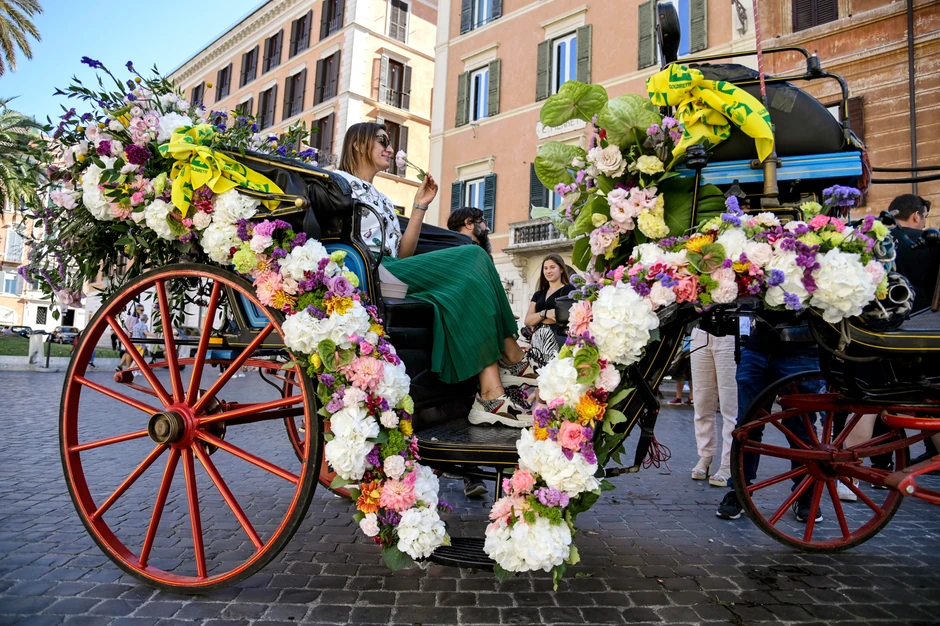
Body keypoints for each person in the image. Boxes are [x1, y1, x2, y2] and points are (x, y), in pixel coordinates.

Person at [335, 122, 533, 428]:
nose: (390, 148)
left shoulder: (382, 198)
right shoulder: (338, 185)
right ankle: (513, 357)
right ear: (358, 144)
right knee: (472, 255)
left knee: (468, 277)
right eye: (382, 141)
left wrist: (420, 205)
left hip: (393, 269)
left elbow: (403, 253)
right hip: (368, 272)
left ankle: (491, 395)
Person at [716, 315, 824, 523]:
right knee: (746, 427)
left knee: (801, 430)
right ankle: (740, 490)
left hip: (802, 349)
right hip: (757, 347)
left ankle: (805, 493)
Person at [689, 322, 738, 487]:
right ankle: (705, 455)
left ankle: (728, 462)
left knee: (730, 406)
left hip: (731, 335)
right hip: (701, 333)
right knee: (702, 402)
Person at [522, 254, 575, 371]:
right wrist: (545, 314)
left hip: (558, 340)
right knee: (537, 376)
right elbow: (527, 320)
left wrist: (537, 318)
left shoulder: (569, 290)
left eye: (552, 267)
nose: (548, 271)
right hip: (537, 343)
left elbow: (563, 317)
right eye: (545, 268)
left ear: (561, 269)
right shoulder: (538, 294)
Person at [890, 194, 939, 312]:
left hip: (881, 313)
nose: (925, 224)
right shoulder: (930, 240)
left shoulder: (873, 239)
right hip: (920, 312)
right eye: (925, 217)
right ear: (916, 216)